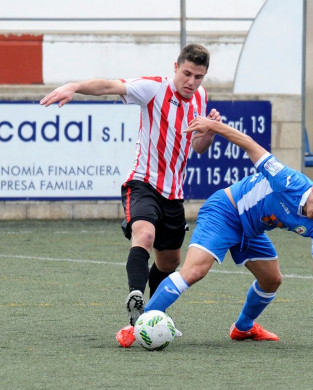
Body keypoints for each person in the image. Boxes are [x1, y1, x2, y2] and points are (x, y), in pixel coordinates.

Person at [116, 117, 313, 349]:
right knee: (195, 271)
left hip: (251, 230)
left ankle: (243, 327)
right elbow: (249, 143)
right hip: (225, 211)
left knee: (272, 279)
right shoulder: (287, 180)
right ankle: (138, 325)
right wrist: (213, 126)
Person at [40, 44, 221, 326]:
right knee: (144, 235)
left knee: (169, 263)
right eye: (187, 73)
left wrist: (208, 132)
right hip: (143, 182)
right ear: (175, 67)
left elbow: (197, 146)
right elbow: (109, 85)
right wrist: (74, 86)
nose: (191, 82)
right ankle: (135, 298)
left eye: (199, 77)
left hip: (174, 195)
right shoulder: (154, 88)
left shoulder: (200, 97)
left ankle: (148, 313)